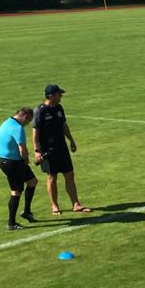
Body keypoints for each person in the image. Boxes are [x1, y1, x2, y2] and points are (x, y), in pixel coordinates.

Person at [32, 85, 92, 215]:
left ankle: (76, 204)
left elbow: (64, 125)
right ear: (51, 96)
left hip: (62, 147)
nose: (61, 96)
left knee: (69, 174)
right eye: (59, 94)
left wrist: (71, 140)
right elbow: (35, 133)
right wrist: (36, 151)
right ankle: (54, 205)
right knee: (52, 177)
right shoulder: (40, 111)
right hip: (48, 150)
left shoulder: (59, 108)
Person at [0, 107, 38, 230]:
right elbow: (22, 150)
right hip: (13, 163)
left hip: (6, 160)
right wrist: (26, 160)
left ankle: (27, 212)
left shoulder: (6, 123)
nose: (28, 124)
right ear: (24, 116)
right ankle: (11, 223)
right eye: (28, 120)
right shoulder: (18, 128)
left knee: (32, 182)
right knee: (16, 191)